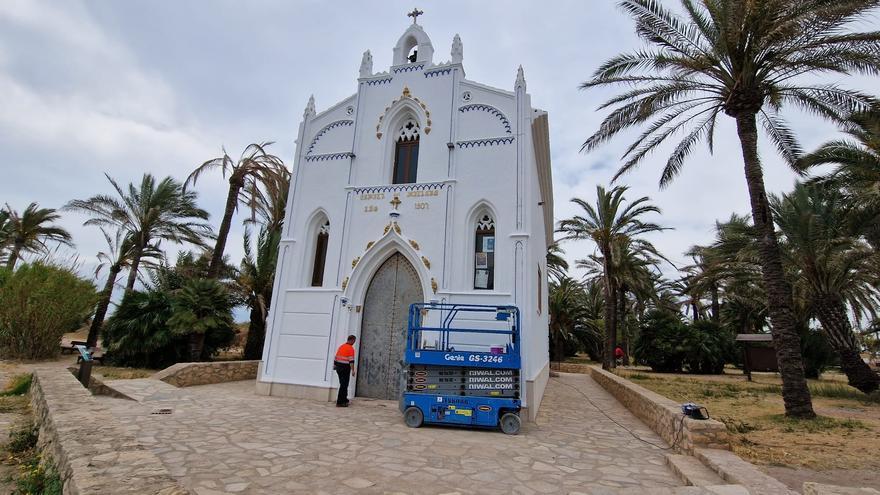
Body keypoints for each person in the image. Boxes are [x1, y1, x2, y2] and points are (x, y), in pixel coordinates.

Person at [333, 335, 357, 407]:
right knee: (344, 385)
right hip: (345, 369)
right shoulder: (350, 349)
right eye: (354, 341)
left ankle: (344, 399)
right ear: (352, 340)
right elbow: (351, 361)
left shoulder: (341, 346)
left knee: (343, 384)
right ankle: (340, 402)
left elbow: (336, 357)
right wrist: (353, 370)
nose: (354, 342)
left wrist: (335, 365)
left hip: (338, 368)